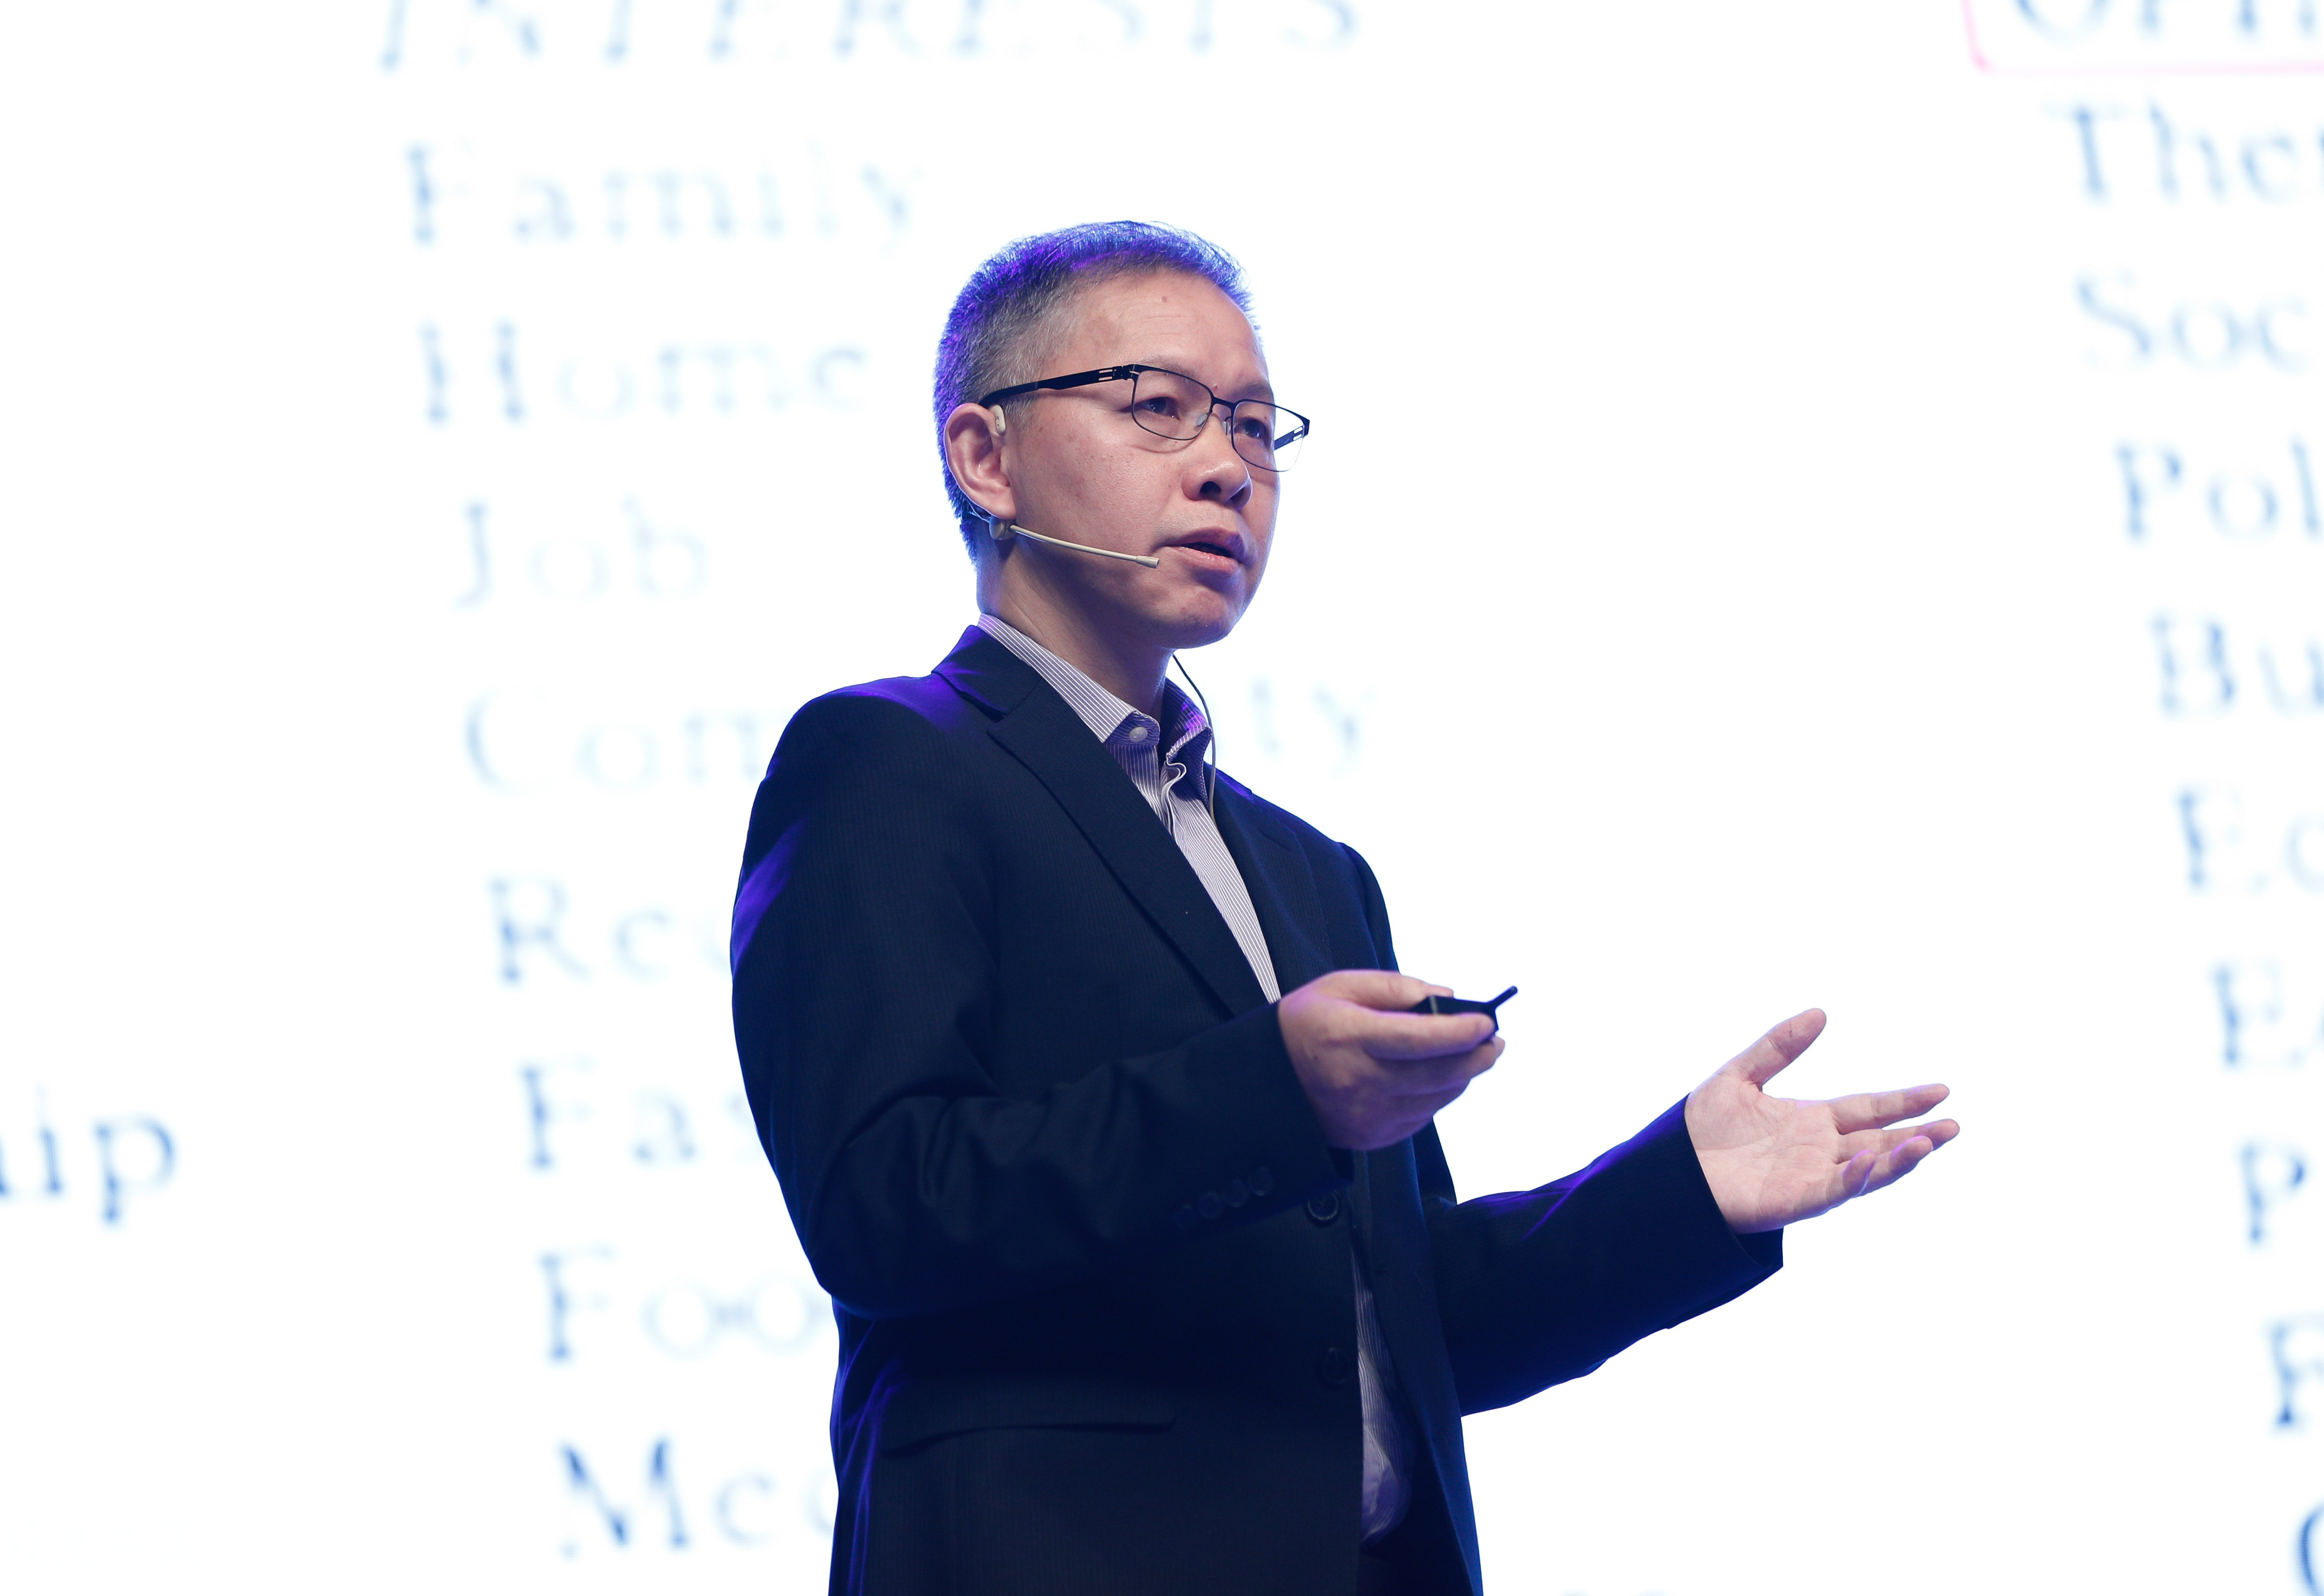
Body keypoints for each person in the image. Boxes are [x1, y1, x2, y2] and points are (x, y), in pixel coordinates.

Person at [729, 221, 1958, 1596]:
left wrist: (1683, 1194)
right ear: (986, 456)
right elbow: (883, 1208)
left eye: (1257, 429)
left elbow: (1409, 1327)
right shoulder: (890, 760)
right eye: (1159, 407)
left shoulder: (1314, 871)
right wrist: (1275, 1091)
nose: (1227, 468)